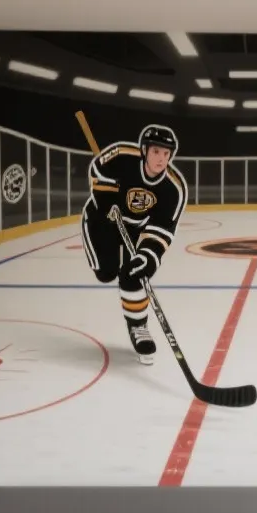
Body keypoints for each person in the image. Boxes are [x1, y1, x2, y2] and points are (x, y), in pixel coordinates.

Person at [80, 124, 187, 364]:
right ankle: (107, 263)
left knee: (135, 272)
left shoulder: (173, 188)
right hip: (102, 220)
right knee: (106, 273)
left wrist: (148, 256)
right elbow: (98, 166)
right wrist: (105, 198)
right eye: (156, 151)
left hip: (135, 228)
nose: (161, 159)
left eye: (166, 153)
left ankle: (138, 327)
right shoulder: (121, 156)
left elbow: (162, 229)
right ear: (145, 150)